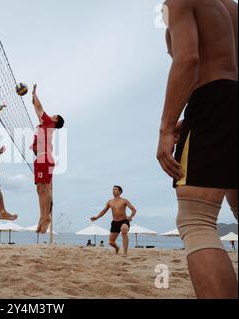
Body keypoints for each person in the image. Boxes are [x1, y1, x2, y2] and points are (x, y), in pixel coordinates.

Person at [157, 0, 238, 299]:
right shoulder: (231, 7)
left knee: (196, 219)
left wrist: (166, 127)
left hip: (213, 101)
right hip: (229, 100)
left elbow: (188, 60)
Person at [30, 84, 65, 234]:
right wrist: (33, 98)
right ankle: (42, 216)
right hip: (41, 159)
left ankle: (46, 216)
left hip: (45, 159)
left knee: (44, 188)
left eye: (54, 115)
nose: (51, 115)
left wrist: (34, 93)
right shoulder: (45, 124)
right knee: (40, 189)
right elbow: (36, 108)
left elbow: (39, 107)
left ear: (56, 120)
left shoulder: (49, 123)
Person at [90, 186, 137, 256]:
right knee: (111, 242)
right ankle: (117, 248)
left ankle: (125, 253)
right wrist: (96, 217)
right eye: (113, 189)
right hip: (115, 222)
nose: (113, 191)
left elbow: (133, 210)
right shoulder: (110, 202)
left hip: (124, 221)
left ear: (120, 192)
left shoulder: (124, 201)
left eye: (115, 189)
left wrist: (130, 217)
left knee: (124, 230)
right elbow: (104, 211)